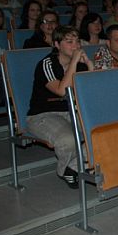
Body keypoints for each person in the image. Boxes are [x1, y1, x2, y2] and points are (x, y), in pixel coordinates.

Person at [26, 26, 93, 189]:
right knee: (68, 140)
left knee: (103, 131)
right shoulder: (47, 64)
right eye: (69, 42)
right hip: (43, 115)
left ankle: (73, 168)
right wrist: (74, 63)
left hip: (72, 112)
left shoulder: (81, 65)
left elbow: (93, 90)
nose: (75, 45)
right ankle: (76, 167)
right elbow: (62, 91)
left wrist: (90, 65)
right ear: (57, 45)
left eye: (77, 41)